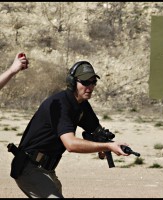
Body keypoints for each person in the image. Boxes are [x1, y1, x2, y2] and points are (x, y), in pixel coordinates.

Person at [8, 61, 130, 198]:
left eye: (93, 82)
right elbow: (70, 144)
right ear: (72, 82)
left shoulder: (82, 105)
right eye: (85, 82)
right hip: (29, 168)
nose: (90, 87)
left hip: (47, 170)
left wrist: (104, 145)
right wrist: (107, 145)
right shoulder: (60, 105)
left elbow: (96, 131)